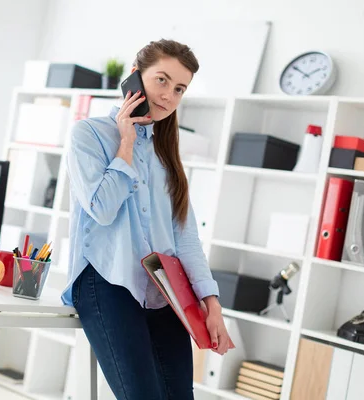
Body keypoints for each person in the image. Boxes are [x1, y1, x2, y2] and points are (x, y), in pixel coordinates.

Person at [61, 39, 230, 400]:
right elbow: (102, 209)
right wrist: (125, 141)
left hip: (163, 291)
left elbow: (184, 238)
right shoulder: (87, 134)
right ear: (135, 78)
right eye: (162, 80)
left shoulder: (165, 153)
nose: (169, 96)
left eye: (180, 89)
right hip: (107, 280)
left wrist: (211, 303)